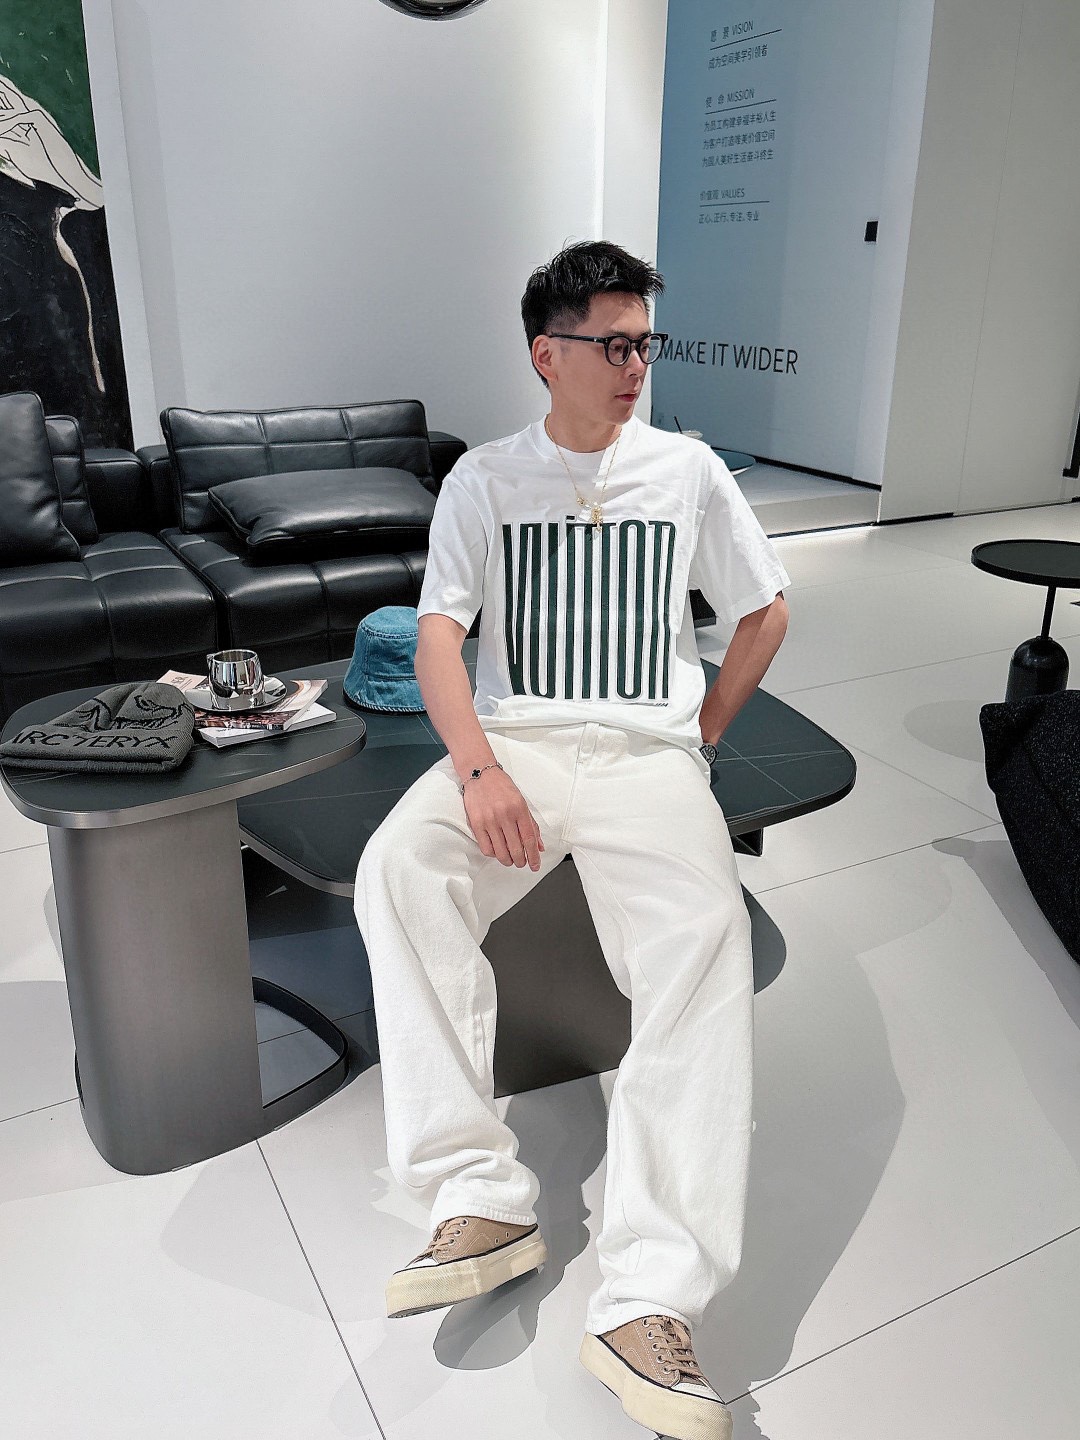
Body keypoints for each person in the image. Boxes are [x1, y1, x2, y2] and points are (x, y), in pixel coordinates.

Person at [352, 239, 791, 1440]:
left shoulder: (688, 471)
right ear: (547, 355)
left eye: (645, 341)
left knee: (703, 941)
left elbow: (764, 609)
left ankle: (650, 1301)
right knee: (398, 869)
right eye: (612, 344)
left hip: (648, 756)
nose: (635, 364)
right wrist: (479, 768)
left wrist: (698, 732)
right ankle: (477, 1194)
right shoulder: (486, 479)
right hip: (520, 744)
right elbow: (438, 637)